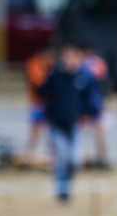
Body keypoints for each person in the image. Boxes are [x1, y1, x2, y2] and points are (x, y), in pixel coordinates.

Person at [37, 43, 99, 203]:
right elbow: (42, 93)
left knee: (75, 160)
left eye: (74, 56)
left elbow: (91, 100)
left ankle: (67, 186)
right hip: (57, 124)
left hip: (76, 124)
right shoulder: (55, 77)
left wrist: (90, 114)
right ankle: (62, 193)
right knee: (63, 158)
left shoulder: (84, 78)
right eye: (67, 56)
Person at [78, 45, 111, 169]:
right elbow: (105, 84)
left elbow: (102, 83)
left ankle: (96, 158)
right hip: (94, 103)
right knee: (96, 132)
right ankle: (99, 158)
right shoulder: (98, 63)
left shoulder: (87, 64)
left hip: (91, 103)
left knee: (92, 131)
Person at [21, 48, 55, 166]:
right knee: (36, 130)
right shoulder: (35, 63)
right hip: (38, 103)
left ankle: (51, 156)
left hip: (50, 103)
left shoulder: (52, 64)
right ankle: (29, 155)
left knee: (52, 130)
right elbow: (38, 82)